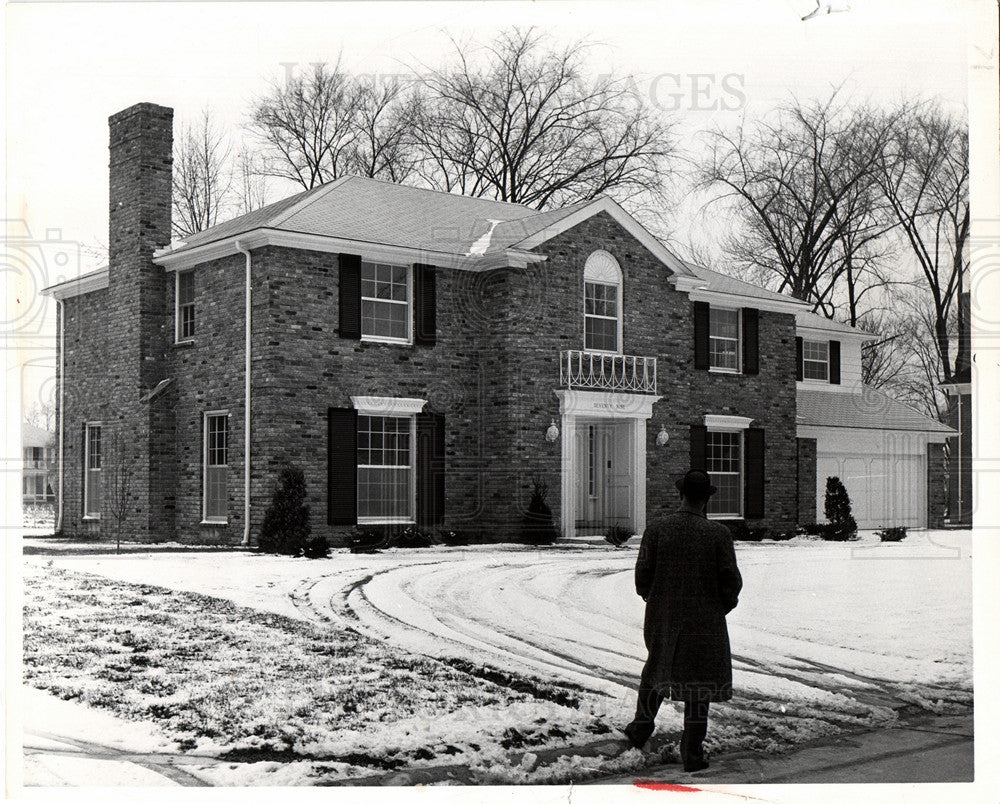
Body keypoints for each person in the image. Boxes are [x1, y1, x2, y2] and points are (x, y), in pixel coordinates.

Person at [623, 469, 743, 772]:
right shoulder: (718, 535)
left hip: (663, 615)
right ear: (705, 501)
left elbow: (642, 577)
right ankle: (691, 752)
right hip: (705, 620)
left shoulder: (657, 530)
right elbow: (731, 582)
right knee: (698, 684)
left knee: (657, 669)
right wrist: (719, 608)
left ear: (681, 495)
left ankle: (640, 729)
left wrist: (655, 599)